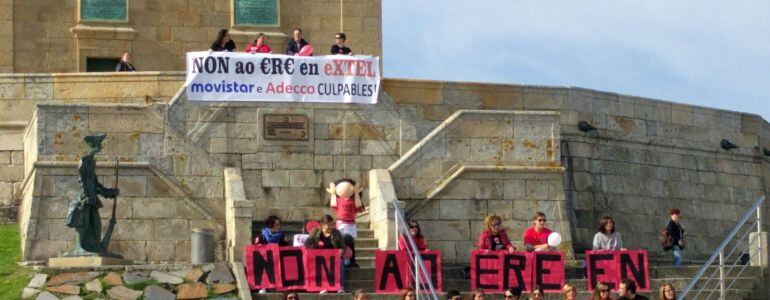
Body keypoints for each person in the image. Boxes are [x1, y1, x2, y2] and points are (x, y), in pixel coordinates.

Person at [65, 134, 120, 255]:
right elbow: (84, 181)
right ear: (94, 146)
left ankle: (95, 246)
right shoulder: (84, 161)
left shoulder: (91, 162)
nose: (100, 148)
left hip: (92, 199)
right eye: (98, 145)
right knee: (82, 223)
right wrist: (88, 196)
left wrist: (109, 192)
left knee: (96, 224)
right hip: (85, 199)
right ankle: (79, 248)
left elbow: (95, 184)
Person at [304, 215, 346, 292]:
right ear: (322, 225)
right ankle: (322, 286)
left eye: (332, 224)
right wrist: (312, 252)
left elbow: (343, 247)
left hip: (334, 258)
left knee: (341, 262)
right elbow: (306, 244)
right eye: (328, 225)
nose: (330, 227)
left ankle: (340, 286)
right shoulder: (315, 232)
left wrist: (341, 251)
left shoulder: (337, 233)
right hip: (319, 258)